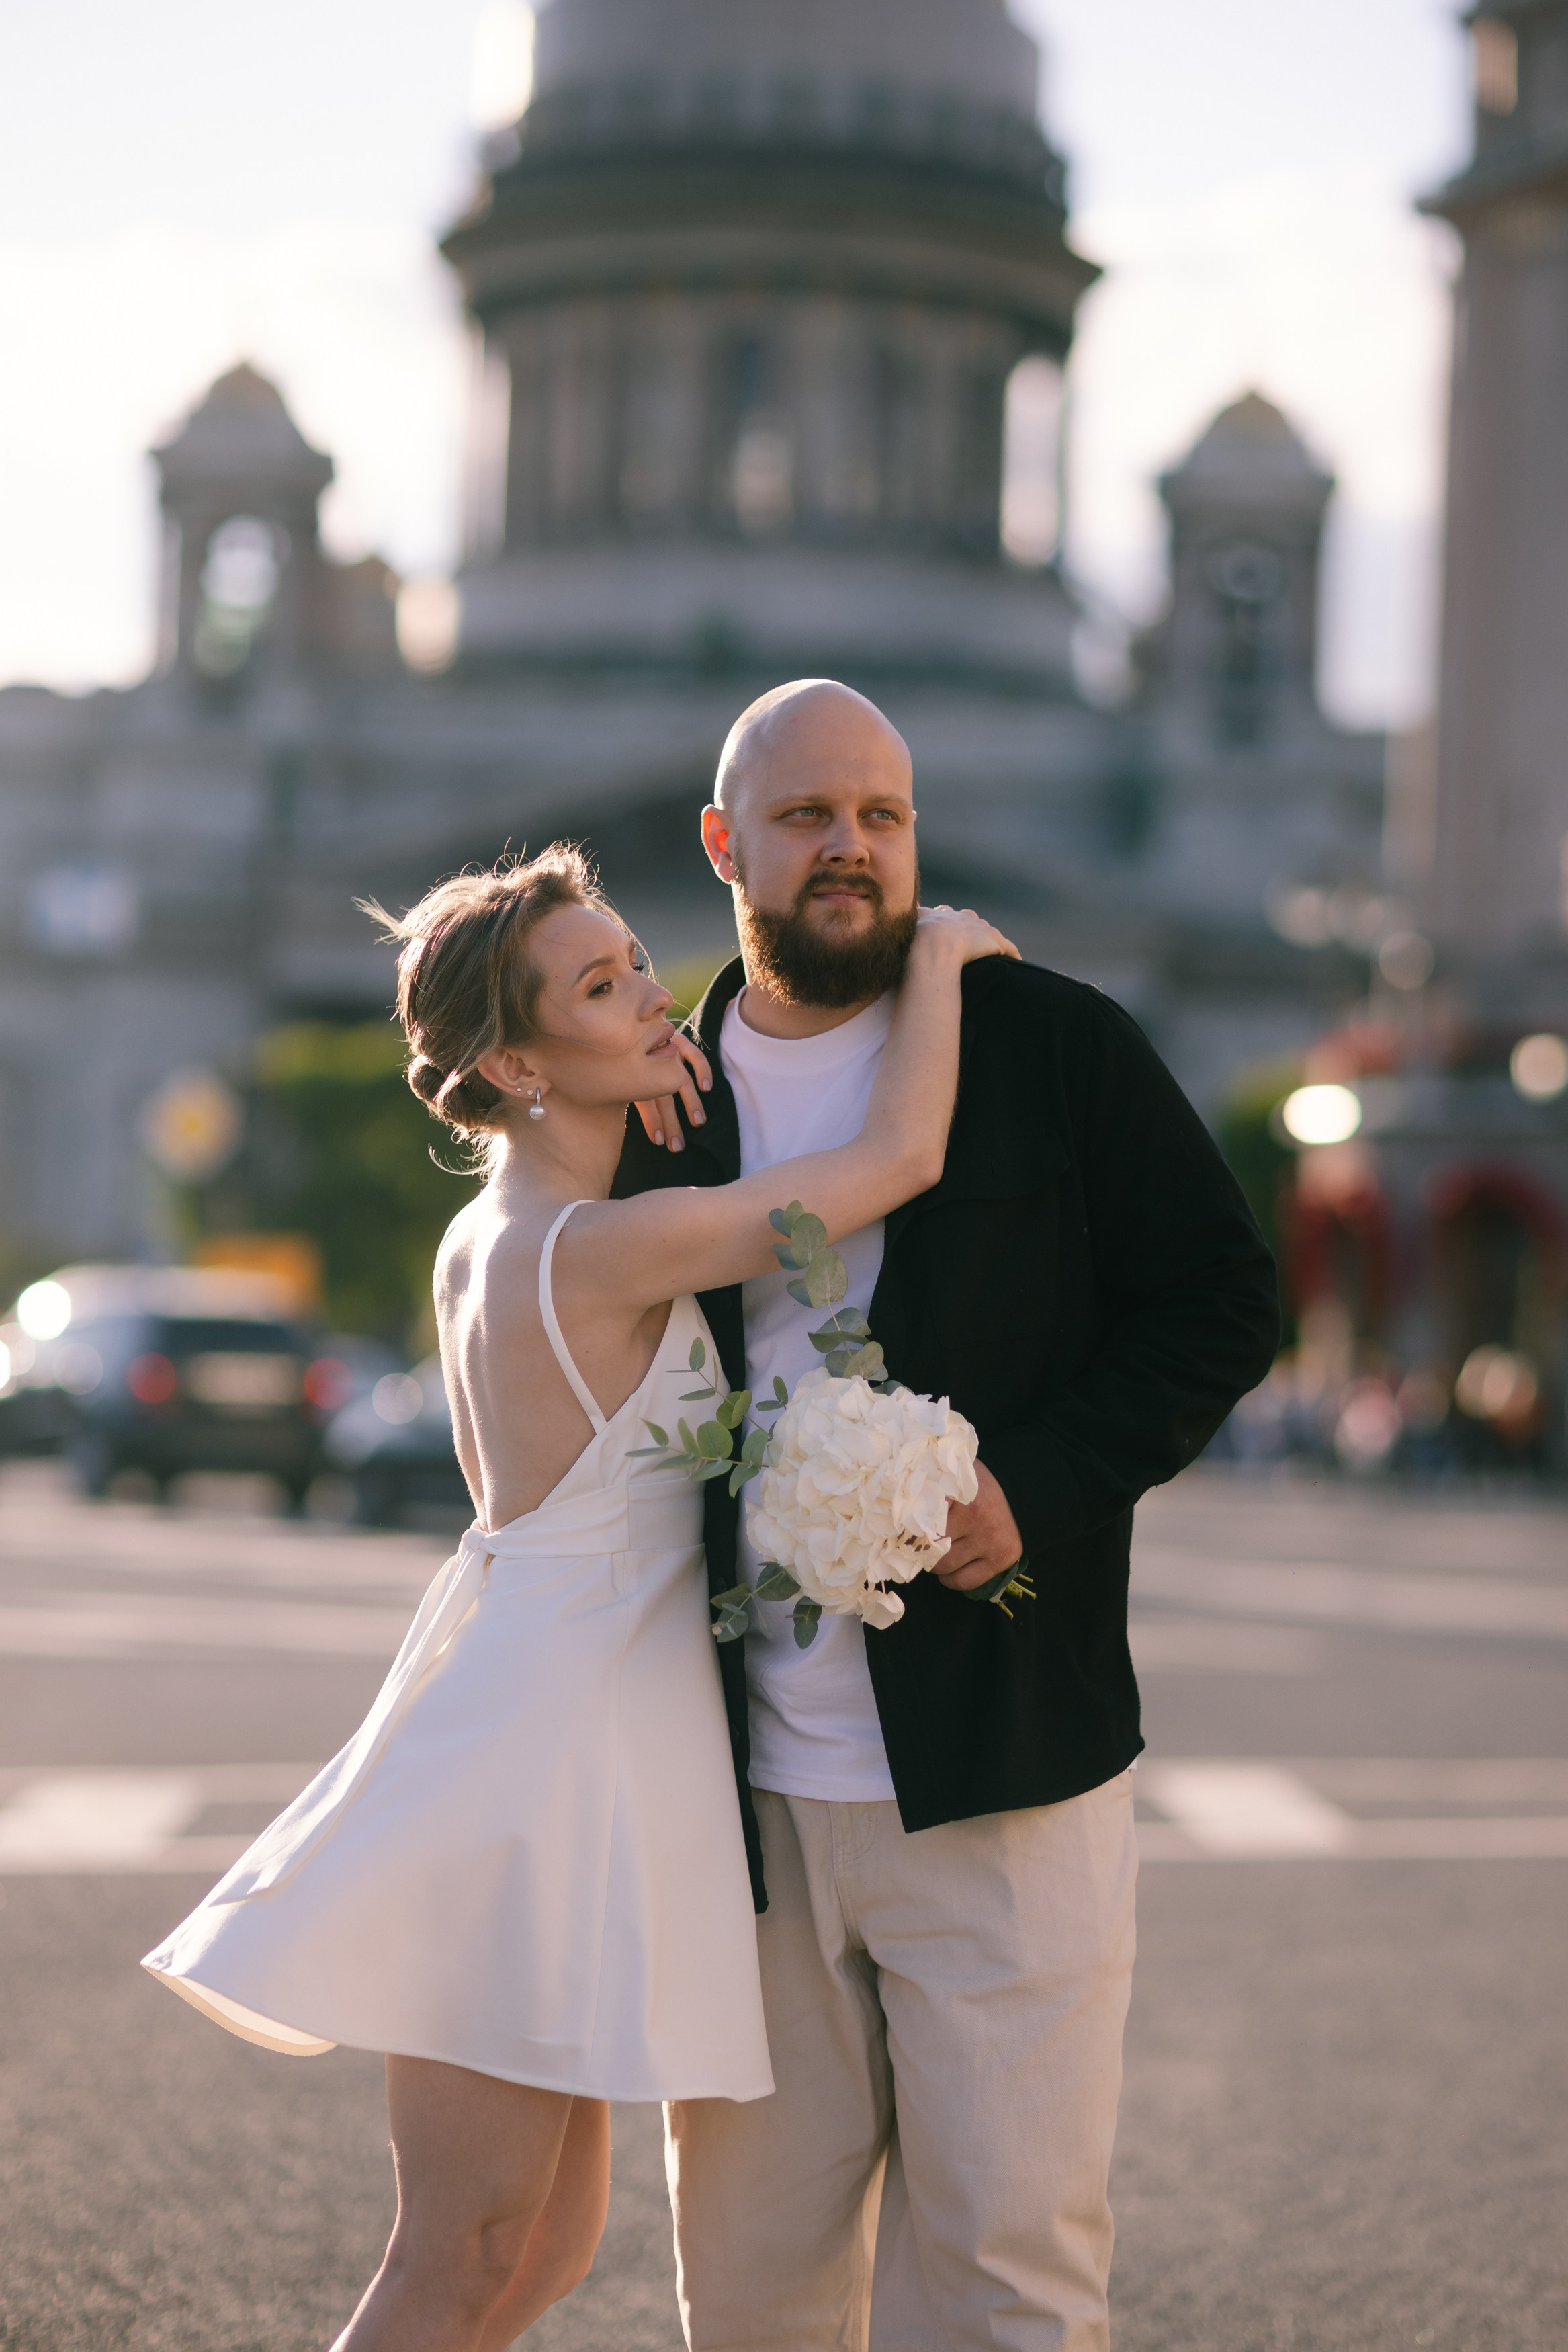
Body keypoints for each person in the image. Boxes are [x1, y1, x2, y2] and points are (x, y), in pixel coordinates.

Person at [140, 845, 1014, 2352]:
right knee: (462, 2250)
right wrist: (935, 963)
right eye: (601, 986)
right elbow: (890, 1164)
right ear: (514, 1061)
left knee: (540, 2248)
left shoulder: (502, 1230)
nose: (650, 994)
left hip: (548, 1720)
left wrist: (636, 1094)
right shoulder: (606, 1247)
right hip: (547, 1764)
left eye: (633, 962)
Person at [614, 679, 1282, 2352]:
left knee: (1005, 2281)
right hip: (744, 1800)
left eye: (884, 815)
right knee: (754, 2291)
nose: (850, 847)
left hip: (1006, 1774)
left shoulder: (1055, 1044)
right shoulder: (649, 1108)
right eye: (805, 815)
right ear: (722, 844)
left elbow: (1219, 1299)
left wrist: (1032, 1490)